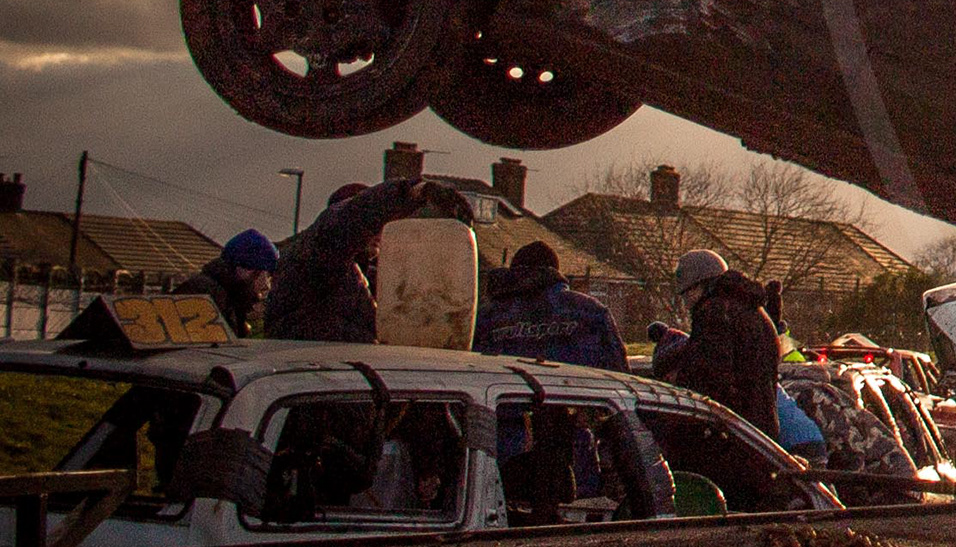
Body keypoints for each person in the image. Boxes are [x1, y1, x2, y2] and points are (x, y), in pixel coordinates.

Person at [260, 179, 474, 341]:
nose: (381, 232)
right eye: (377, 224)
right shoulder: (318, 256)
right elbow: (349, 219)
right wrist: (412, 192)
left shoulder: (367, 278)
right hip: (307, 373)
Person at [663, 249, 783, 432]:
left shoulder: (716, 313)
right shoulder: (751, 309)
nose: (687, 303)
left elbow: (709, 376)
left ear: (702, 285)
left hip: (735, 429)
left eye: (688, 293)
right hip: (760, 428)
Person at [475, 241, 627, 371]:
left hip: (503, 394)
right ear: (555, 271)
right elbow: (620, 374)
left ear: (514, 273)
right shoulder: (590, 311)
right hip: (576, 394)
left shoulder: (487, 316)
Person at [177, 229, 282, 335]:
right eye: (268, 275)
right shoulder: (206, 295)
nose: (267, 285)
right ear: (250, 270)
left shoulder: (230, 297)